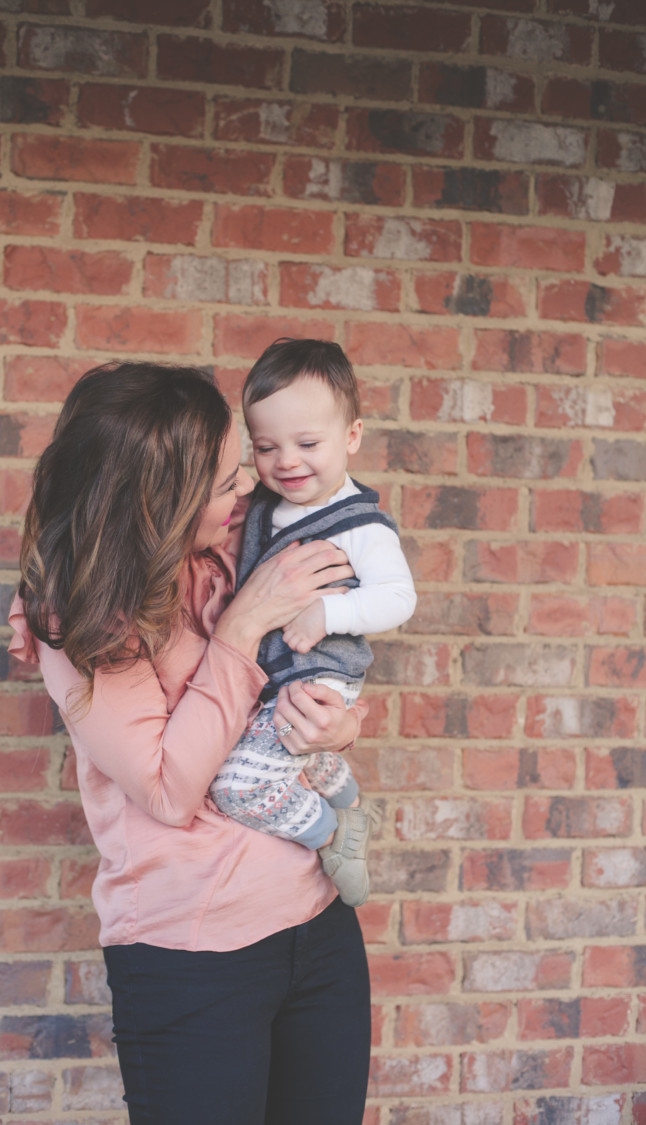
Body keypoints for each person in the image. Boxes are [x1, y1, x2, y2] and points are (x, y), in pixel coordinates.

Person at [8, 360, 372, 1125]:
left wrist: (336, 724)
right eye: (225, 482)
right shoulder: (82, 620)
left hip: (317, 923)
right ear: (158, 500)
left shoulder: (229, 556)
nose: (249, 491)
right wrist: (241, 629)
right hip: (195, 956)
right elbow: (170, 789)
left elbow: (309, 673)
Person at [210, 339, 416, 908]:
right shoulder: (265, 507)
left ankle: (334, 836)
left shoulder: (360, 525)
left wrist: (330, 611)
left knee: (237, 786)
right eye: (266, 447)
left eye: (307, 443)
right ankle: (348, 801)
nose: (287, 462)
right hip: (278, 679)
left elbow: (399, 597)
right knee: (298, 746)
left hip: (321, 674)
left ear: (352, 436)